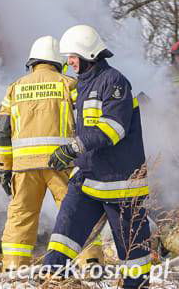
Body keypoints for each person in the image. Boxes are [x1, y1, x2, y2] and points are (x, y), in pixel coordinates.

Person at [44, 25, 151, 288]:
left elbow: (113, 129)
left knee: (132, 249)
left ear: (87, 55)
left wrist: (72, 148)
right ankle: (54, 278)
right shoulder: (82, 85)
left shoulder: (114, 82)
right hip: (89, 178)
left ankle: (136, 284)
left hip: (120, 183)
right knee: (64, 232)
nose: (68, 62)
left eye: (72, 56)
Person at [0, 36, 101, 270]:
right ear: (57, 63)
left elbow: (2, 131)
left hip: (23, 167)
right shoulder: (69, 84)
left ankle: (14, 269)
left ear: (32, 62)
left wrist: (4, 168)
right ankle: (90, 264)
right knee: (77, 213)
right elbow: (87, 121)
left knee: (21, 217)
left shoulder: (15, 87)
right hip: (62, 163)